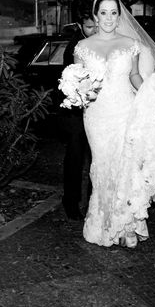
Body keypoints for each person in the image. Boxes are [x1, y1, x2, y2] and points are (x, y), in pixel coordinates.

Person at [73, 0, 155, 248]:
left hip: (123, 111)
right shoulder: (82, 48)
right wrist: (78, 93)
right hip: (96, 116)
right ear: (95, 16)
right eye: (103, 12)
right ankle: (104, 222)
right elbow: (79, 80)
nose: (108, 17)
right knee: (102, 166)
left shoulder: (131, 44)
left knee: (124, 167)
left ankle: (126, 225)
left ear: (119, 17)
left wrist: (151, 97)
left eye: (113, 12)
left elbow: (135, 77)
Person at [60, 14, 97, 220]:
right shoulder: (77, 46)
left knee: (96, 158)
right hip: (76, 112)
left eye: (95, 26)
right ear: (81, 26)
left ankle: (94, 200)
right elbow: (71, 78)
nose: (93, 30)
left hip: (98, 109)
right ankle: (71, 201)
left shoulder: (100, 41)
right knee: (75, 158)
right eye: (89, 27)